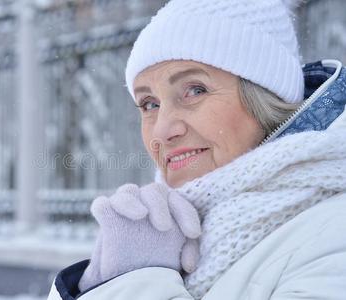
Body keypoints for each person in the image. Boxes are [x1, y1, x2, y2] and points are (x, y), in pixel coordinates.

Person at [48, 0, 346, 299]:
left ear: (264, 99)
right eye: (150, 104)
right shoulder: (161, 229)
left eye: (195, 90)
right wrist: (100, 280)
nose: (162, 131)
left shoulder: (334, 237)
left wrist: (133, 280)